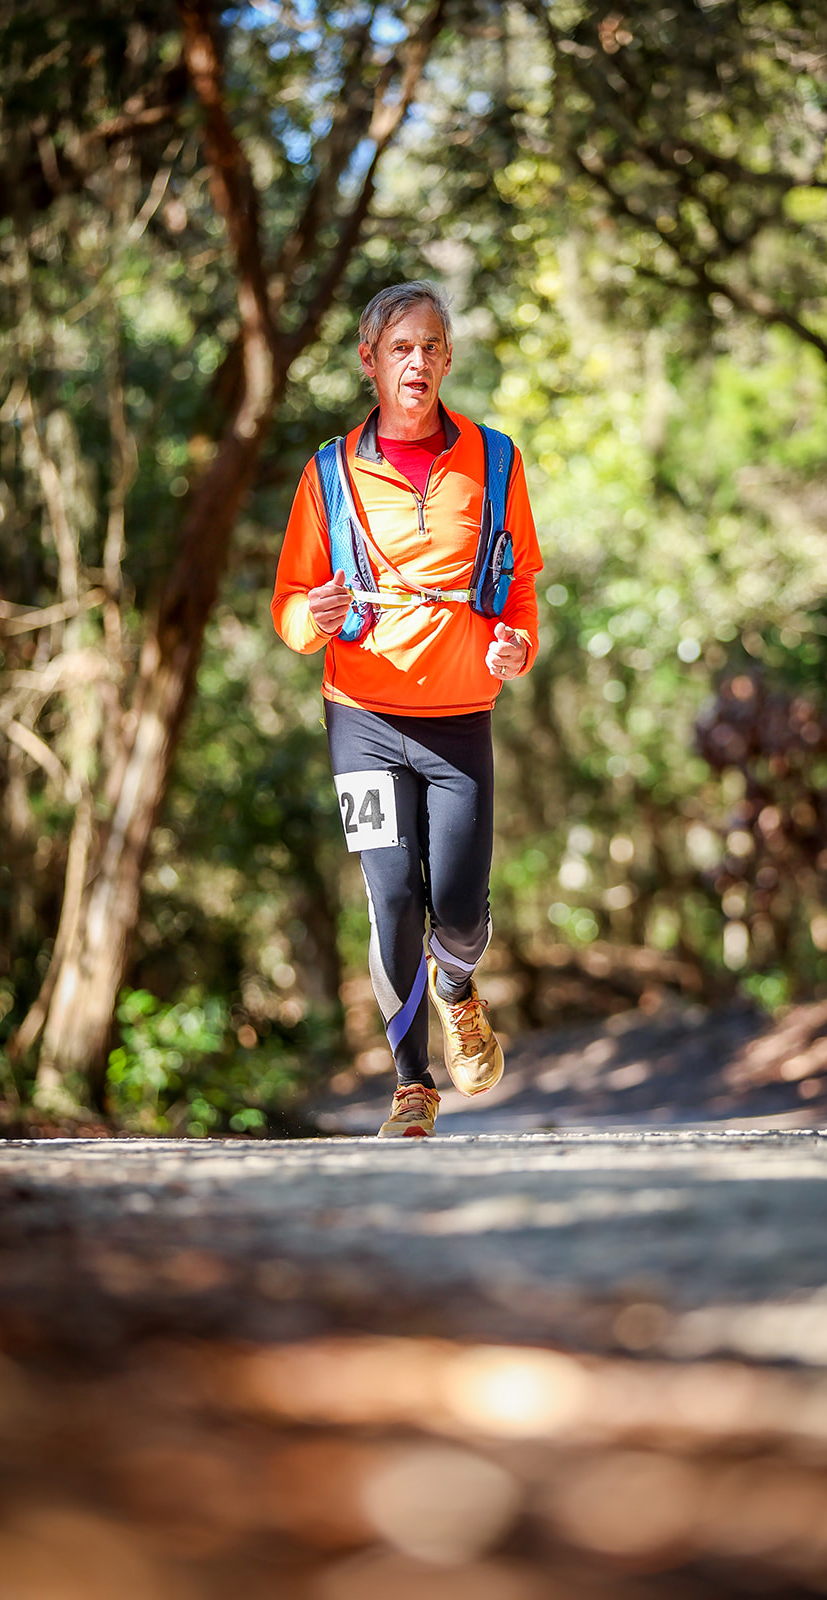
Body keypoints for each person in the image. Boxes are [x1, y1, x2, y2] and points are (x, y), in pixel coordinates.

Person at [271, 280, 541, 1137]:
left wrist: (516, 646)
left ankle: (457, 986)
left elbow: (521, 586)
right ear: (369, 362)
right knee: (390, 896)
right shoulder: (328, 471)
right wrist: (305, 619)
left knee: (457, 909)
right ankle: (411, 1087)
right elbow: (287, 603)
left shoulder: (494, 460)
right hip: (361, 718)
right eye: (399, 348)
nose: (416, 361)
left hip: (461, 721)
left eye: (430, 346)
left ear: (447, 359)